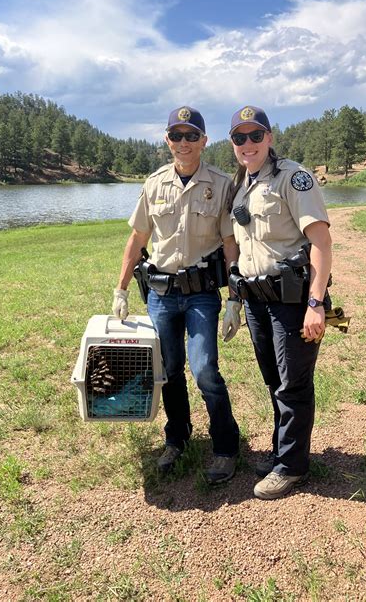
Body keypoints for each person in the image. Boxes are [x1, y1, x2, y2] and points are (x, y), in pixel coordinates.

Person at [112, 106, 240, 484]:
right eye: (176, 136)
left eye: (191, 136)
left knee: (204, 371)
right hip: (161, 295)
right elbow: (137, 239)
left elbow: (231, 243)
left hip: (201, 294)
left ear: (204, 141)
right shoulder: (153, 184)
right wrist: (119, 289)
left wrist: (235, 297)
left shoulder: (220, 184)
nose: (183, 143)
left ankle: (225, 446)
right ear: (167, 140)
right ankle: (177, 438)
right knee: (167, 371)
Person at [222, 105, 332, 499]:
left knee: (293, 384)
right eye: (239, 137)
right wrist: (234, 298)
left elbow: (321, 243)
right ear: (232, 143)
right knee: (274, 381)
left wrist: (316, 303)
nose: (247, 144)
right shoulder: (240, 185)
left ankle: (292, 466)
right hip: (256, 302)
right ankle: (282, 451)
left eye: (255, 135)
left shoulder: (294, 177)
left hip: (292, 301)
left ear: (269, 137)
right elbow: (235, 244)